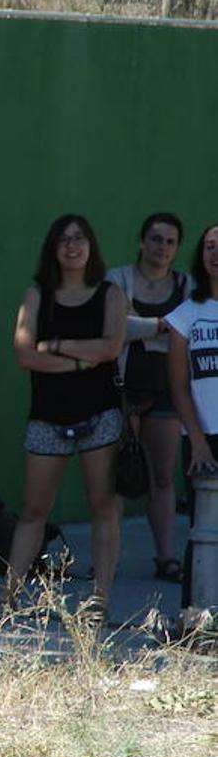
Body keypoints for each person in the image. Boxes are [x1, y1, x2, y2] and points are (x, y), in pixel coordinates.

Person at [0, 214, 126, 618]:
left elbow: (109, 348)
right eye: (64, 239)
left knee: (102, 506)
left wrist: (54, 346)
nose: (72, 246)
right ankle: (7, 596)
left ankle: (98, 600)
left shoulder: (110, 294)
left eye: (80, 238)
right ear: (53, 248)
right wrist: (75, 362)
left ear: (92, 245)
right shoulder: (38, 294)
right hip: (48, 417)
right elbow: (24, 354)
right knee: (33, 510)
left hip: (100, 415)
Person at [105, 212, 189, 583]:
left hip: (166, 388)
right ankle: (107, 560)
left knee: (162, 475)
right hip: (120, 387)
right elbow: (114, 328)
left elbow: (185, 333)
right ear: (142, 241)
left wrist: (139, 324)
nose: (162, 248)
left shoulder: (186, 285)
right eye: (156, 239)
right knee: (115, 477)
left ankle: (166, 558)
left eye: (170, 242)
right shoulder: (118, 279)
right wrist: (160, 326)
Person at [165, 221, 218, 619]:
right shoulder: (186, 314)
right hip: (204, 437)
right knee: (203, 529)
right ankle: (195, 617)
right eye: (210, 246)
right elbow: (179, 387)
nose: (216, 253)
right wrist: (197, 440)